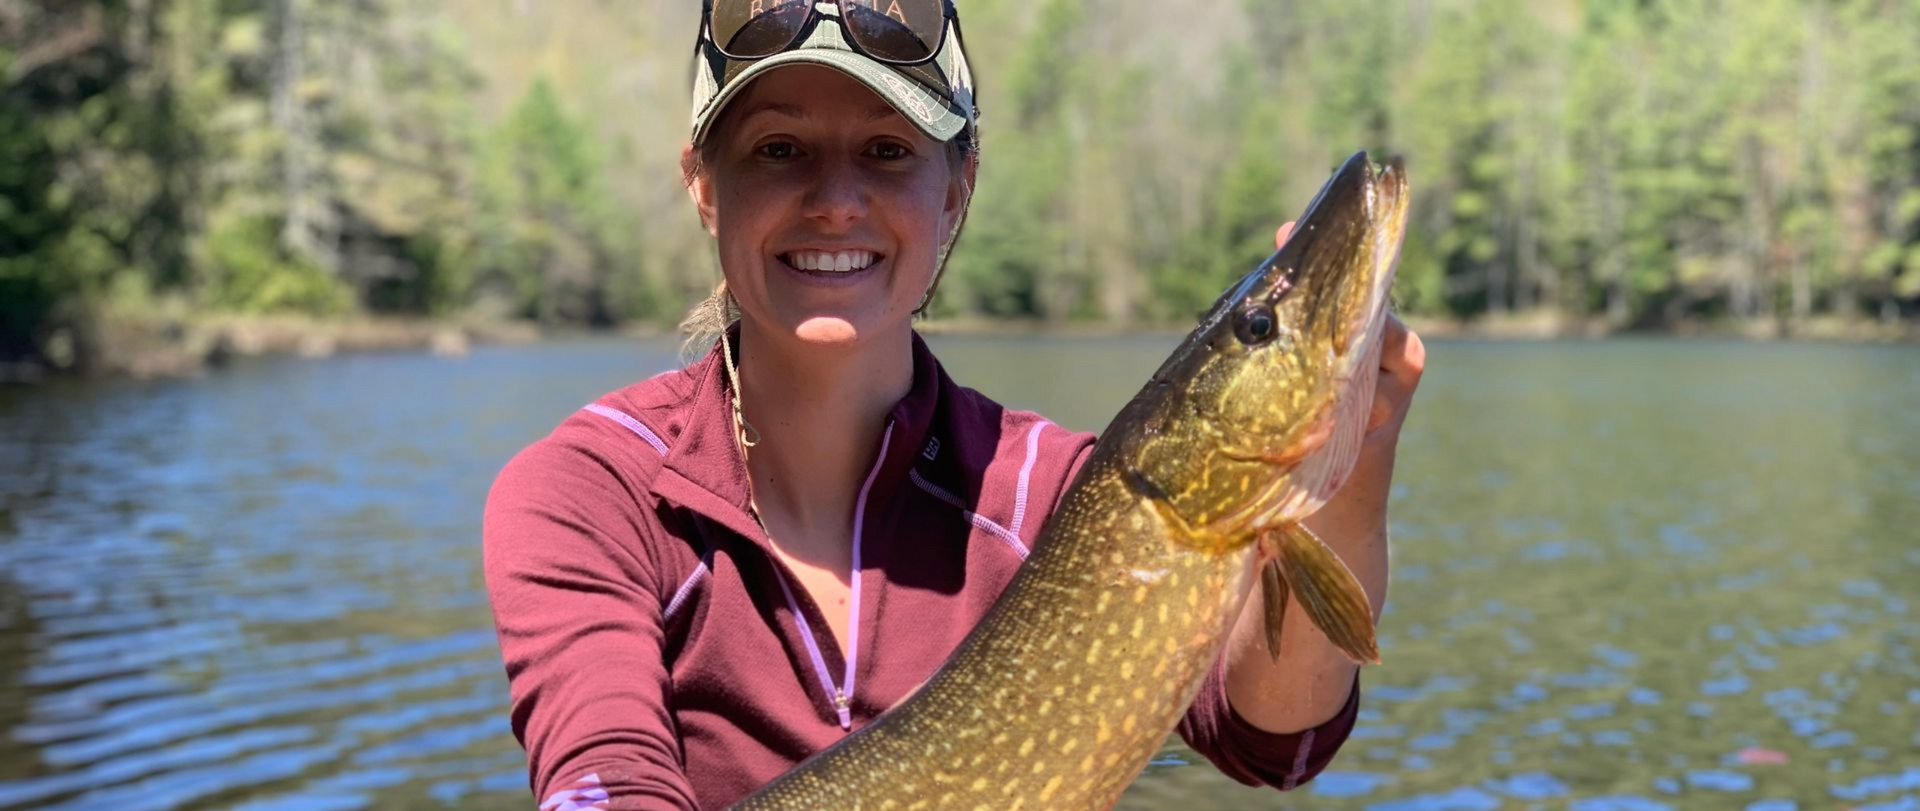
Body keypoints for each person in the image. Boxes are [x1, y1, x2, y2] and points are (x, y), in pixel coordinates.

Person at [482, 2, 1426, 809]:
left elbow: (1275, 735)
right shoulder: (589, 494)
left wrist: (1354, 452)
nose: (836, 200)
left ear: (957, 190)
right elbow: (603, 772)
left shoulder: (1054, 495)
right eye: (780, 149)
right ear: (703, 186)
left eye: (889, 151)